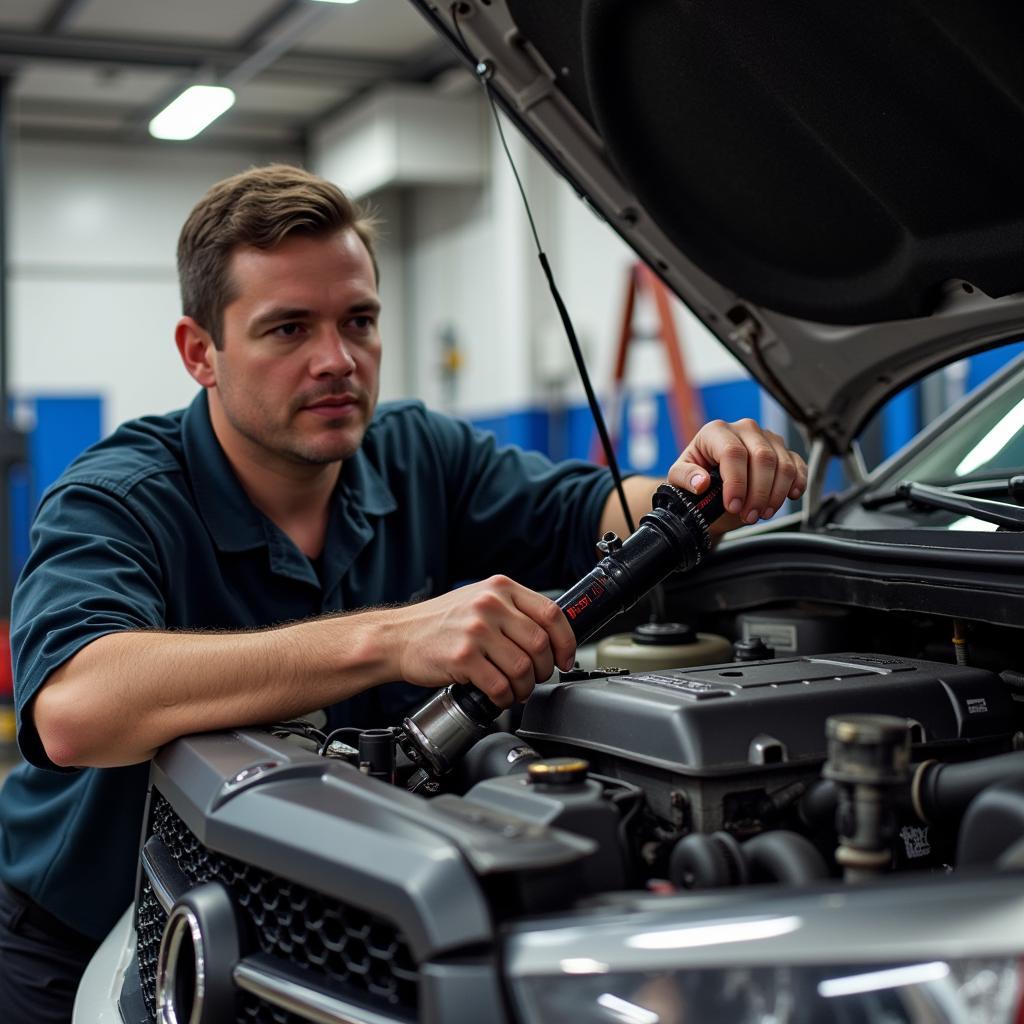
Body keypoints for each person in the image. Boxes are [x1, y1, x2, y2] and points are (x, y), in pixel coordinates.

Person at [0, 164, 806, 1021]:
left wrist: (700, 485)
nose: (337, 360)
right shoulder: (121, 493)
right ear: (201, 352)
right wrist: (389, 639)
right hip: (93, 936)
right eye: (287, 330)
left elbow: (600, 511)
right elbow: (74, 708)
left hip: (330, 925)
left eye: (359, 320)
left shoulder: (421, 454)